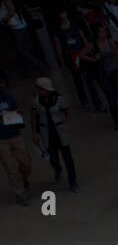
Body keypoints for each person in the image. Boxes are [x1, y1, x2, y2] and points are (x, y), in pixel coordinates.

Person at [30, 79, 78, 194]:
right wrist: (35, 133)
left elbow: (67, 114)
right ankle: (57, 168)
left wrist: (66, 123)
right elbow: (33, 117)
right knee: (52, 156)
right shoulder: (36, 101)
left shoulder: (59, 99)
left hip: (59, 131)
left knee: (68, 158)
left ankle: (73, 182)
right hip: (46, 132)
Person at [78, 27, 118, 130]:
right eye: (101, 32)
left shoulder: (111, 42)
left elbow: (117, 57)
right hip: (104, 74)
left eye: (104, 31)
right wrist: (92, 59)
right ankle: (117, 121)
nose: (103, 34)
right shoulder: (93, 45)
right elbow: (81, 55)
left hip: (115, 72)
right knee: (111, 98)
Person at [53, 8, 97, 111]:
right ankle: (84, 100)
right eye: (61, 13)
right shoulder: (57, 29)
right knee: (78, 80)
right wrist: (61, 60)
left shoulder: (74, 23)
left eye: (64, 12)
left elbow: (83, 37)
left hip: (82, 52)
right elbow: (58, 45)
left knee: (88, 78)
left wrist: (88, 48)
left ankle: (96, 101)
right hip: (70, 57)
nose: (63, 15)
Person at [0, 72, 32, 205]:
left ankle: (23, 178)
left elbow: (14, 108)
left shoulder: (7, 95)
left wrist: (17, 114)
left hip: (14, 133)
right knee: (10, 167)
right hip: (1, 138)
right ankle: (20, 193)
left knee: (25, 161)